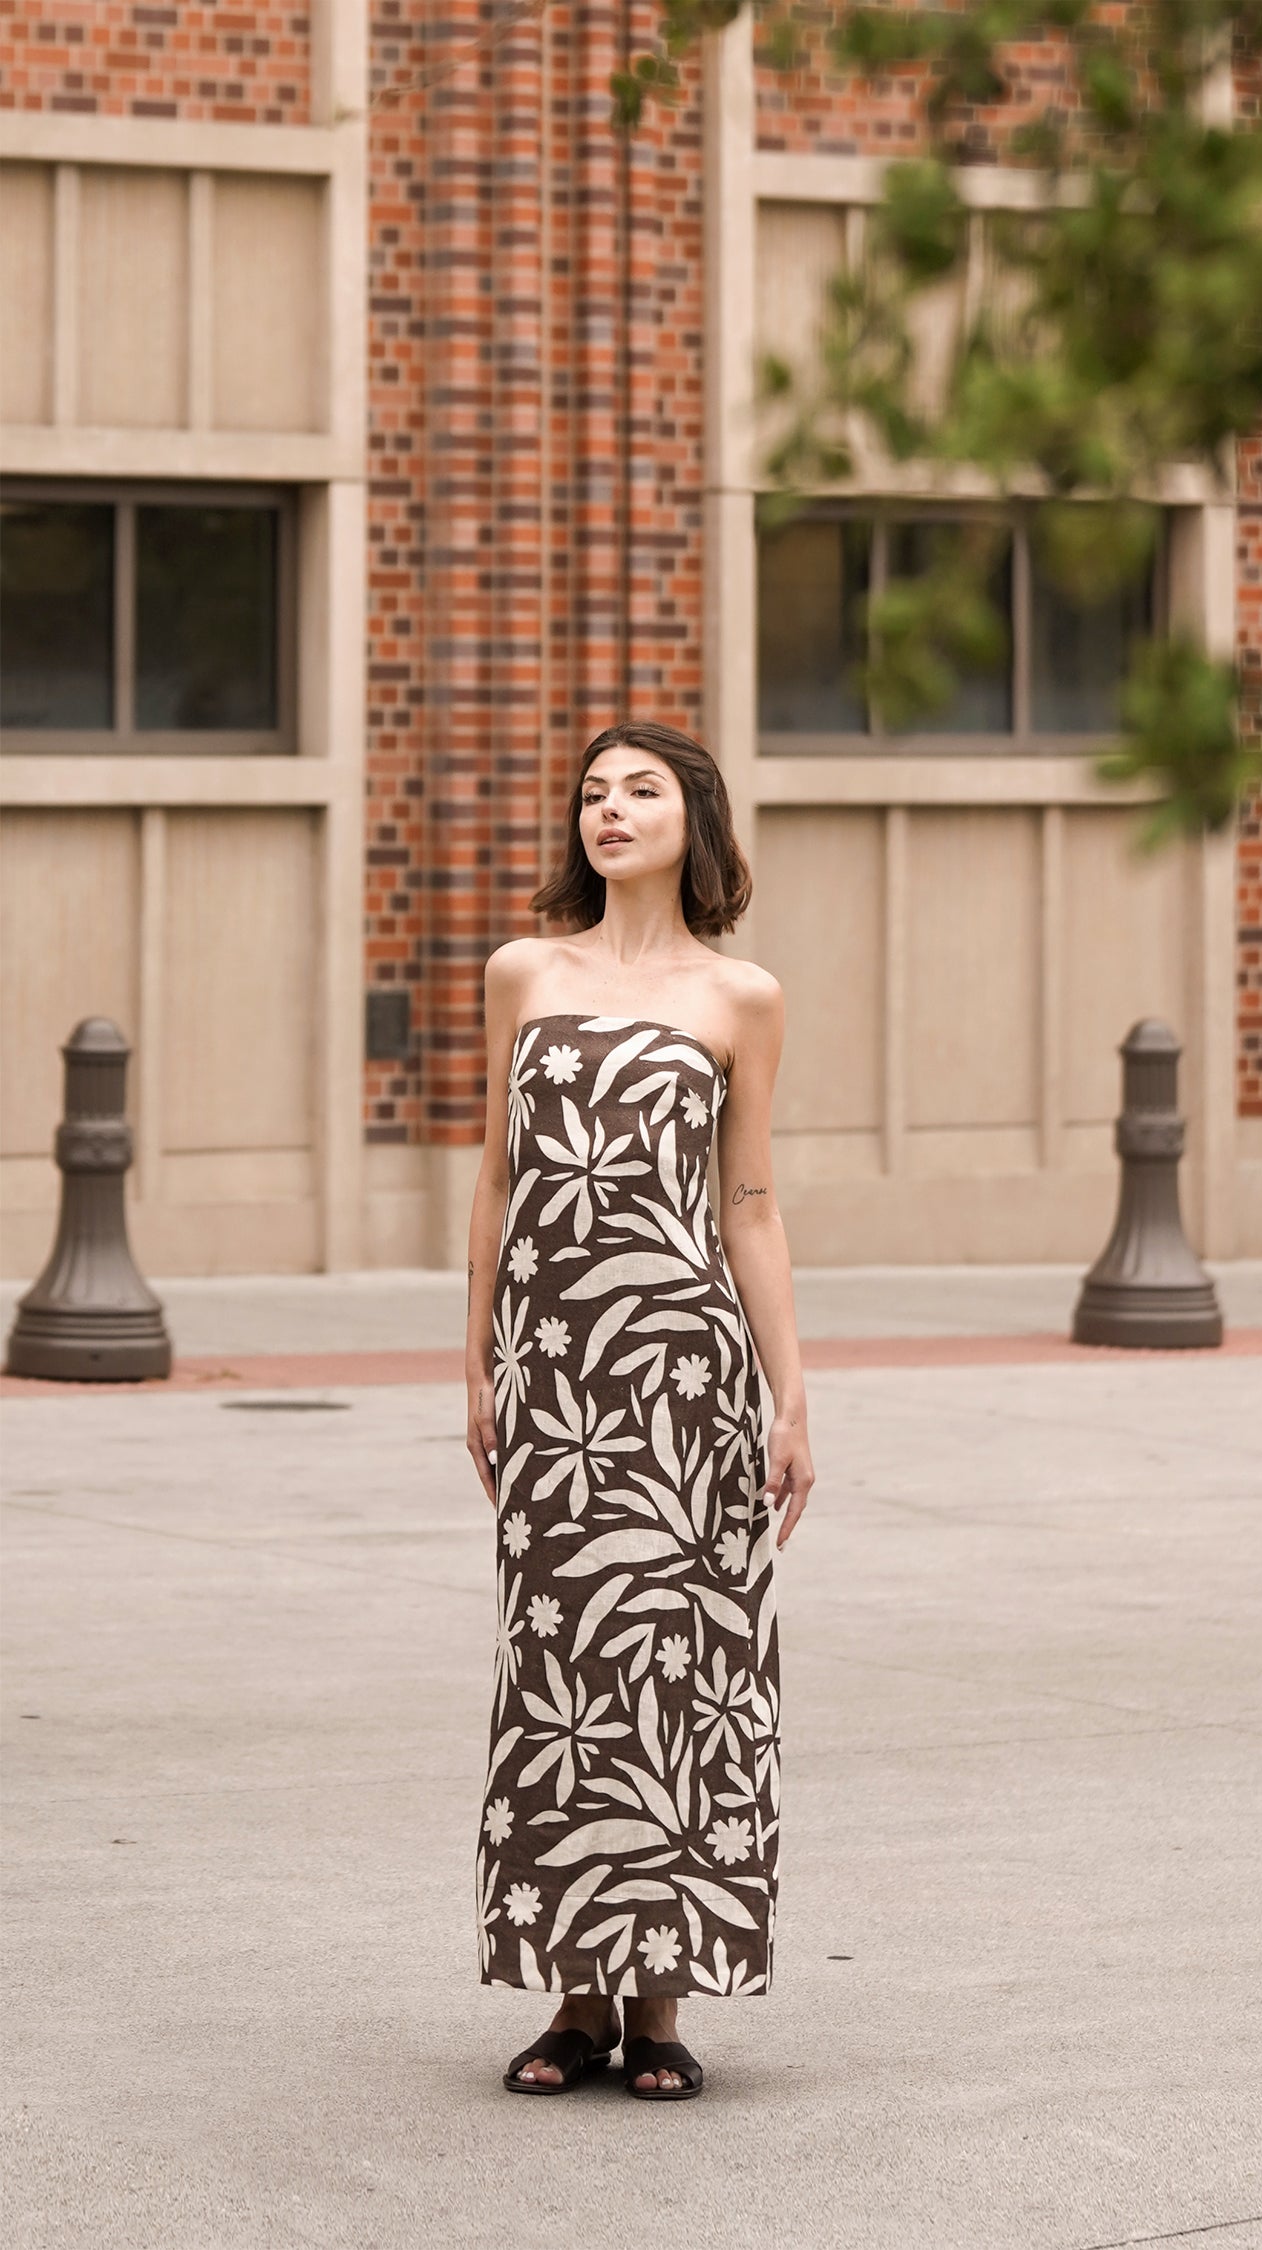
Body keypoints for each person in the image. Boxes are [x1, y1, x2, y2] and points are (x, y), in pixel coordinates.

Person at [465, 719, 815, 2102]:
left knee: (673, 1673)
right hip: (556, 1381)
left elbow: (750, 1204)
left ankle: (659, 2002)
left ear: (695, 817)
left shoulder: (743, 997)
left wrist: (790, 1394)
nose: (609, 810)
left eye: (641, 789)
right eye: (592, 794)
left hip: (685, 1384)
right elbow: (495, 1183)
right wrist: (477, 1360)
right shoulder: (523, 971)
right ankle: (572, 2000)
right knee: (562, 1679)